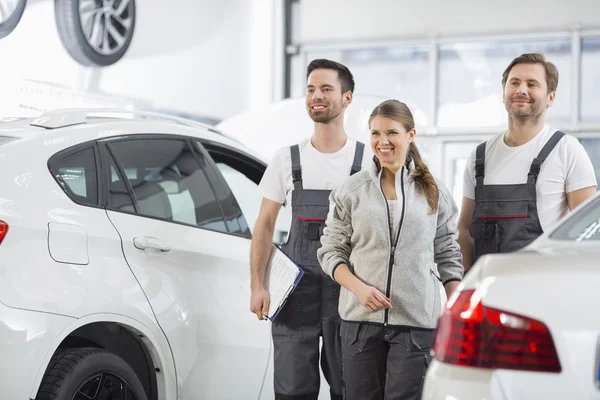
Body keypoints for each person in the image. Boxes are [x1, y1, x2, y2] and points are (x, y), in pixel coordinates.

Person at [318, 99, 463, 400]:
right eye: (375, 133)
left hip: (415, 324)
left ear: (411, 135)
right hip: (360, 323)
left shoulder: (434, 191)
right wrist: (359, 289)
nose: (382, 142)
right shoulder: (351, 191)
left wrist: (457, 312)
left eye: (392, 133)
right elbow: (331, 252)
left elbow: (448, 252)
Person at [249, 59, 371, 400]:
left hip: (347, 291)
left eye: (326, 89)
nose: (316, 96)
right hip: (294, 292)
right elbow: (265, 225)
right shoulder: (286, 159)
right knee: (291, 390)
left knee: (350, 388)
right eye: (311, 90)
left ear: (347, 98)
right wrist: (257, 285)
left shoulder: (368, 163)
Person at [458, 53, 597, 271]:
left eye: (532, 84)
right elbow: (464, 231)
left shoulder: (567, 149)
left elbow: (589, 232)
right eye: (514, 83)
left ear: (550, 97)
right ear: (504, 93)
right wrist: (463, 284)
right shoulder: (480, 156)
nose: (521, 90)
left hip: (542, 292)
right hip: (486, 294)